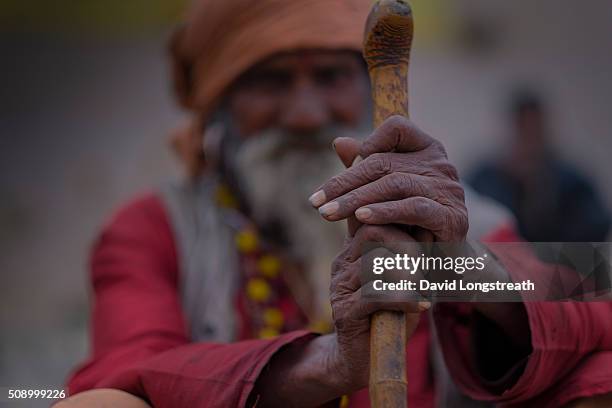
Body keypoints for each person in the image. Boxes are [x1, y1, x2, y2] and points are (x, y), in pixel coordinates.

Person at [58, 1, 612, 407]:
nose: (304, 114)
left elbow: (599, 286)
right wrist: (330, 365)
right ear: (218, 110)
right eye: (271, 82)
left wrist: (456, 266)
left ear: (366, 89)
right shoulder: (154, 228)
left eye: (330, 76)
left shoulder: (455, 215)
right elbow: (125, 369)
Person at [469, 89, 611, 242]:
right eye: (524, 130)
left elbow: (595, 231)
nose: (530, 140)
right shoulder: (484, 178)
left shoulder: (573, 182)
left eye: (534, 130)